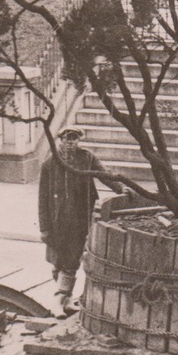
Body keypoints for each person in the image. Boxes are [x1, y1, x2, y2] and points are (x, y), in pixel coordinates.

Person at [38, 126, 123, 316]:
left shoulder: (86, 158)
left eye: (74, 139)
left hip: (79, 219)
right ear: (60, 140)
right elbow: (42, 199)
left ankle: (58, 301)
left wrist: (121, 189)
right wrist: (44, 228)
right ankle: (66, 301)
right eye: (67, 139)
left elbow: (104, 174)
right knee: (58, 261)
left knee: (72, 260)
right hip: (57, 222)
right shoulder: (50, 164)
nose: (71, 142)